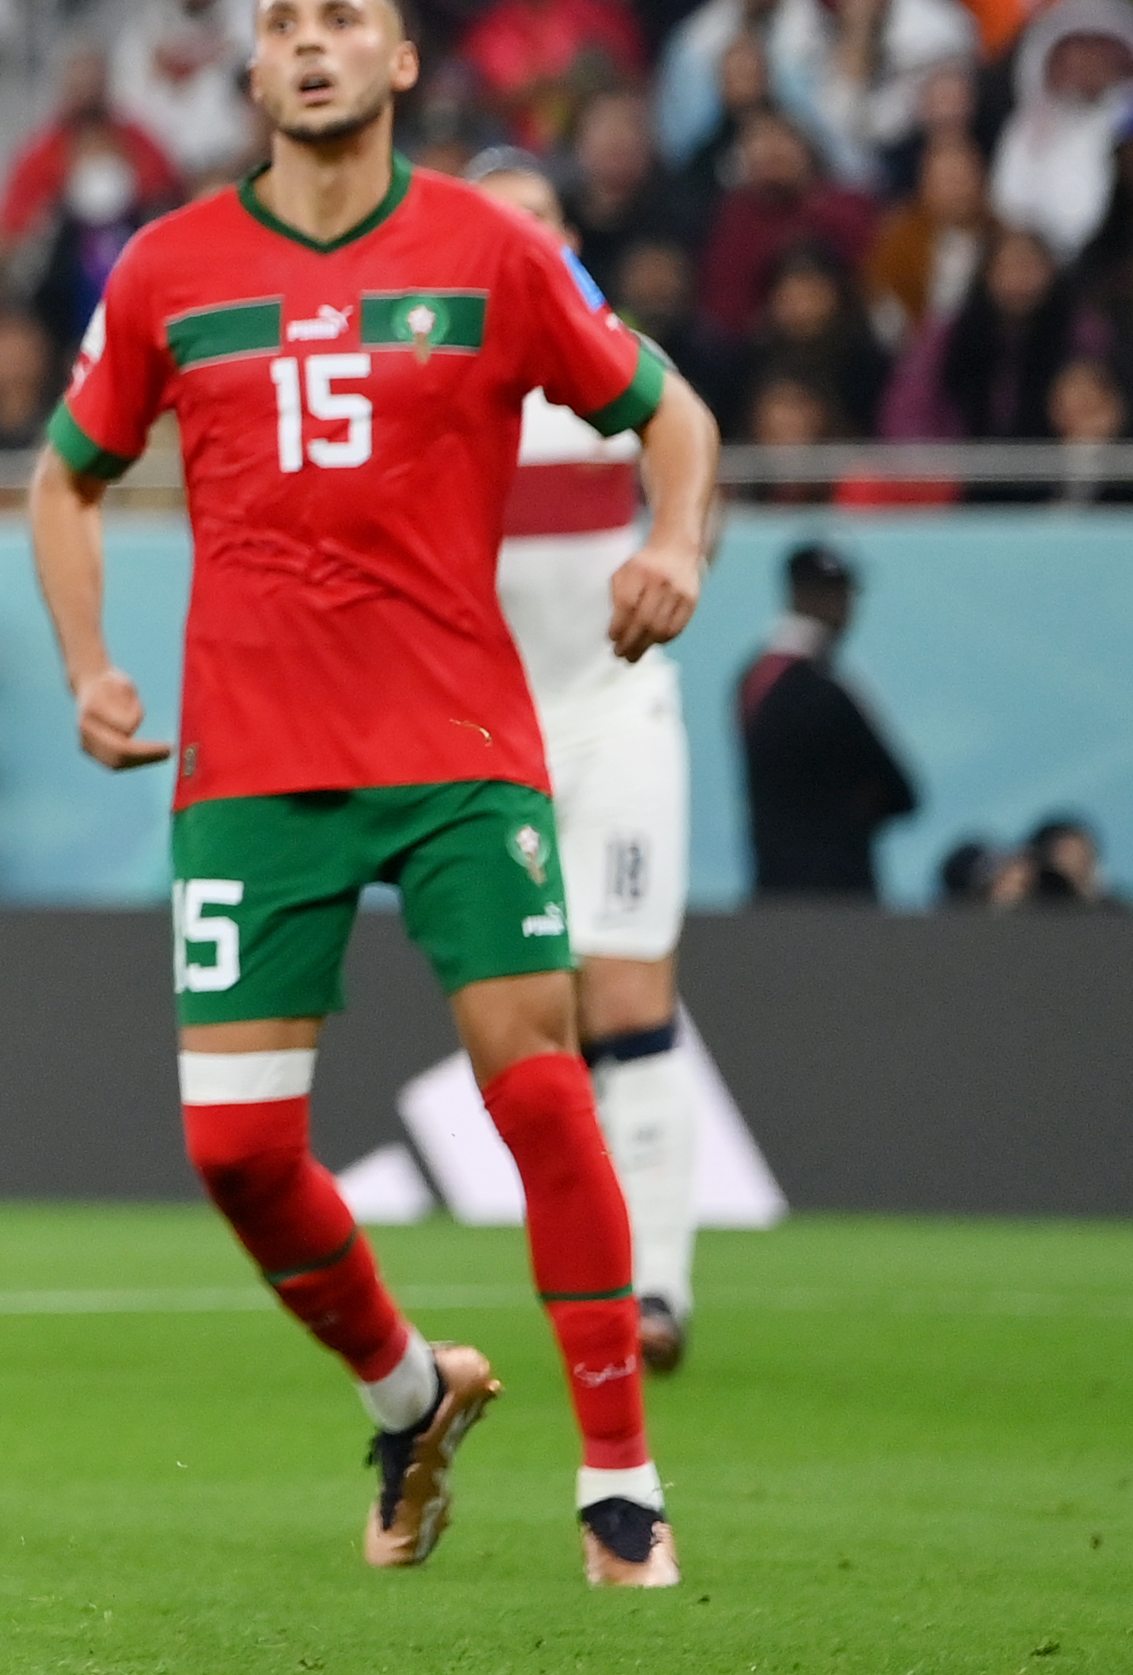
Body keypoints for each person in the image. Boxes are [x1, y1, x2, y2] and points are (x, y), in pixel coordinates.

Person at [28, 0, 719, 1589]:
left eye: (339, 19)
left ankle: (617, 1481)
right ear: (249, 74)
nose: (308, 45)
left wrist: (674, 539)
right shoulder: (165, 266)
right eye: (279, 26)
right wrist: (87, 664)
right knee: (234, 1153)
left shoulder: (491, 251)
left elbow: (667, 412)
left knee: (538, 1082)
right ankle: (407, 1393)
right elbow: (62, 480)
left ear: (399, 59)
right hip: (250, 761)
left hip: (455, 741)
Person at [470, 155, 702, 1372]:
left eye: (537, 221)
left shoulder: (605, 356)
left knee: (624, 995)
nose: (516, 242)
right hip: (487, 738)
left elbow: (686, 439)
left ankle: (654, 1287)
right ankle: (595, 1263)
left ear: (566, 238)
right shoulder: (431, 383)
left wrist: (677, 546)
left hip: (613, 714)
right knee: (536, 1016)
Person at [736, 540, 918, 896]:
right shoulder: (827, 691)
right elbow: (901, 792)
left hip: (774, 888)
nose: (848, 608)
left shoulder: (753, 680)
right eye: (841, 595)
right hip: (841, 895)